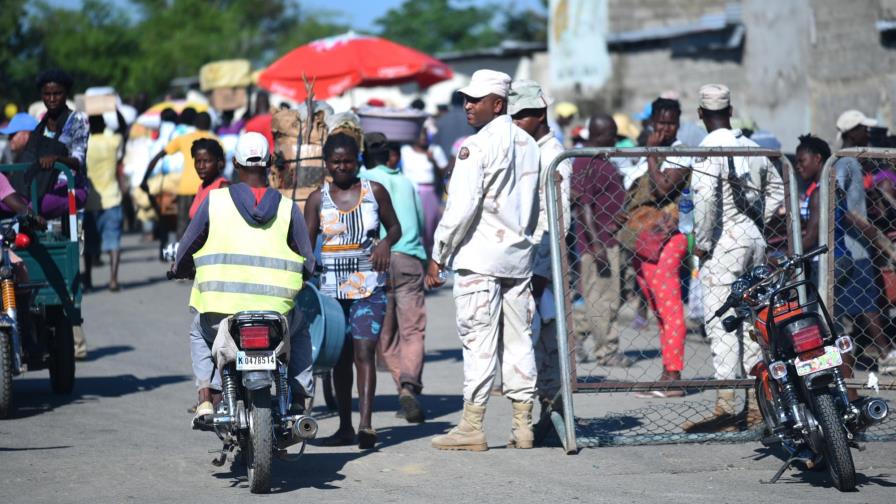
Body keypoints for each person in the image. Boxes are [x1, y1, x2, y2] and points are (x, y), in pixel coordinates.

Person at [425, 69, 541, 451]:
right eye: (466, 99)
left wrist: (438, 254)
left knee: (479, 343)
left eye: (477, 100)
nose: (468, 106)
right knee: (520, 340)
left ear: (499, 104)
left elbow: (460, 209)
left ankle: (472, 426)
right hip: (518, 259)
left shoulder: (475, 147)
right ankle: (523, 425)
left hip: (478, 258)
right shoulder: (529, 145)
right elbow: (537, 209)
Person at [172, 132, 316, 423]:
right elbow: (309, 262)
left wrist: (180, 268)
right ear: (270, 163)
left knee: (198, 333)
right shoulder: (288, 208)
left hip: (220, 317)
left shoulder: (214, 202)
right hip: (277, 317)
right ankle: (299, 399)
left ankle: (206, 398)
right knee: (300, 330)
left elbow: (186, 248)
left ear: (235, 162)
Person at [687, 84, 785, 431]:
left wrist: (702, 240)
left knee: (722, 322)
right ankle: (759, 404)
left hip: (724, 242)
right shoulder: (751, 146)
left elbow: (705, 199)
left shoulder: (706, 149)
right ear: (730, 111)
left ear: (701, 114)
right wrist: (761, 217)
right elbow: (777, 188)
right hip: (755, 240)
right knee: (752, 323)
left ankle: (726, 405)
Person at [304, 133, 402, 449]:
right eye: (336, 161)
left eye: (348, 160)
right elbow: (306, 246)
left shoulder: (375, 192)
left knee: (364, 353)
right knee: (340, 358)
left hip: (369, 287)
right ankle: (344, 426)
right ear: (327, 163)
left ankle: (366, 426)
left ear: (357, 159)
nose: (343, 166)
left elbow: (396, 227)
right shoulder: (317, 200)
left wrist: (385, 243)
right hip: (331, 293)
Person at [507, 79, 572, 416]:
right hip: (526, 258)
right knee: (535, 341)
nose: (516, 122)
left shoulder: (553, 154)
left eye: (522, 116)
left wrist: (542, 271)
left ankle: (553, 413)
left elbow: (558, 220)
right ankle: (548, 411)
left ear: (540, 114)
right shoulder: (528, 150)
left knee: (546, 341)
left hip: (543, 260)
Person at [623, 98, 692, 397]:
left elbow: (664, 187)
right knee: (659, 311)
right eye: (660, 122)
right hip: (643, 242)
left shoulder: (678, 154)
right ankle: (667, 371)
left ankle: (674, 375)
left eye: (671, 123)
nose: (665, 128)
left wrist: (651, 153)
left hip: (666, 241)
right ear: (651, 122)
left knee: (671, 308)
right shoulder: (645, 154)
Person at [360, 132, 428, 423]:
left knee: (384, 338)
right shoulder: (406, 182)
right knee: (413, 331)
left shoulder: (362, 180)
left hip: (378, 262)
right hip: (411, 260)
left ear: (363, 155)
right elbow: (422, 222)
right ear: (389, 155)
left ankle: (402, 385)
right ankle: (409, 385)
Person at [833, 110, 896, 373]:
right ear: (851, 133)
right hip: (853, 245)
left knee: (849, 305)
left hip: (857, 243)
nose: (868, 134)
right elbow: (839, 203)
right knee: (868, 300)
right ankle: (885, 354)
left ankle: (850, 352)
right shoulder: (845, 163)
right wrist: (869, 231)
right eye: (863, 129)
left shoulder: (853, 163)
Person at [571, 114, 633, 367]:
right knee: (602, 299)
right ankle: (606, 350)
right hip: (599, 243)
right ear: (600, 134)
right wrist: (596, 243)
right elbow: (583, 205)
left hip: (610, 238)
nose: (614, 139)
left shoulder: (600, 159)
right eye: (611, 134)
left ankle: (575, 334)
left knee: (607, 298)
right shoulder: (586, 161)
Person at [15, 69, 89, 217]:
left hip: (69, 188)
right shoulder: (40, 124)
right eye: (47, 94)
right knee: (8, 200)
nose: (52, 99)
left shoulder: (77, 119)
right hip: (40, 187)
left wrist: (56, 159)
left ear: (66, 93)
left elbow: (78, 162)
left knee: (29, 208)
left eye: (57, 93)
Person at [144, 111, 218, 238]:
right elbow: (221, 165)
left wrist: (144, 179)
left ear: (195, 124)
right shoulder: (216, 141)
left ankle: (181, 254)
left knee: (183, 228)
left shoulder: (184, 139)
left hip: (186, 189)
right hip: (209, 190)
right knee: (210, 228)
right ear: (210, 124)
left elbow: (158, 157)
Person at [84, 115, 125, 292]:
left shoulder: (85, 144)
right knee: (113, 242)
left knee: (88, 245)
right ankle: (113, 279)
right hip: (112, 197)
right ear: (104, 125)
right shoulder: (112, 141)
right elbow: (123, 129)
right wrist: (115, 109)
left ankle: (88, 280)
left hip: (89, 200)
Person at [400, 127, 448, 257]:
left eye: (426, 134)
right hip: (410, 192)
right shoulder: (405, 151)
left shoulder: (435, 150)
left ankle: (431, 255)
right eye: (420, 134)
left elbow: (445, 174)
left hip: (429, 192)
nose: (423, 137)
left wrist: (433, 160)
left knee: (430, 225)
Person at [188, 138, 229, 220]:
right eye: (198, 161)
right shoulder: (202, 187)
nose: (201, 166)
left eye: (206, 161)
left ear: (219, 161)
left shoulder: (222, 188)